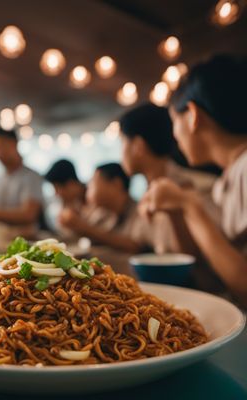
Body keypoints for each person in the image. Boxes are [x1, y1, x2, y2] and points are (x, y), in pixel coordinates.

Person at [139, 54, 247, 306]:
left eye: (174, 123)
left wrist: (189, 204)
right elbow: (208, 273)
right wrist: (177, 210)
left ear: (193, 115)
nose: (175, 136)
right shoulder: (228, 178)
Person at [119, 102, 217, 253]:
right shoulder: (146, 191)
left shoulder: (200, 187)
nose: (121, 154)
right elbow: (138, 242)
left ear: (138, 146)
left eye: (123, 142)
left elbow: (197, 263)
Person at [59, 163, 151, 253]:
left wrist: (84, 227)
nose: (88, 188)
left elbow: (136, 247)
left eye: (93, 183)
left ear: (116, 184)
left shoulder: (141, 211)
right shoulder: (102, 212)